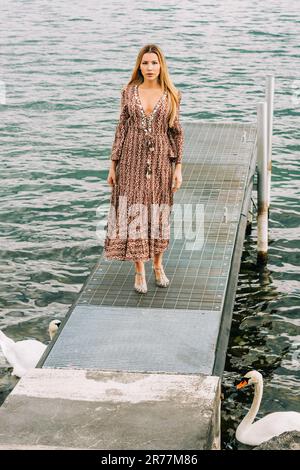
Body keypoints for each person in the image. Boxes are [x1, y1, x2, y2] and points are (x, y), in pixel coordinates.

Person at [104, 44, 184, 294]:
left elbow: (176, 133)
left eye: (154, 63)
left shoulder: (172, 94)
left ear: (161, 66)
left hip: (160, 160)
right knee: (133, 214)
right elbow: (121, 129)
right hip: (130, 160)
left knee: (159, 213)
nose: (149, 67)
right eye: (145, 63)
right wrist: (113, 165)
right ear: (139, 65)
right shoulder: (128, 92)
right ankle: (140, 270)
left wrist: (178, 167)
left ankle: (158, 266)